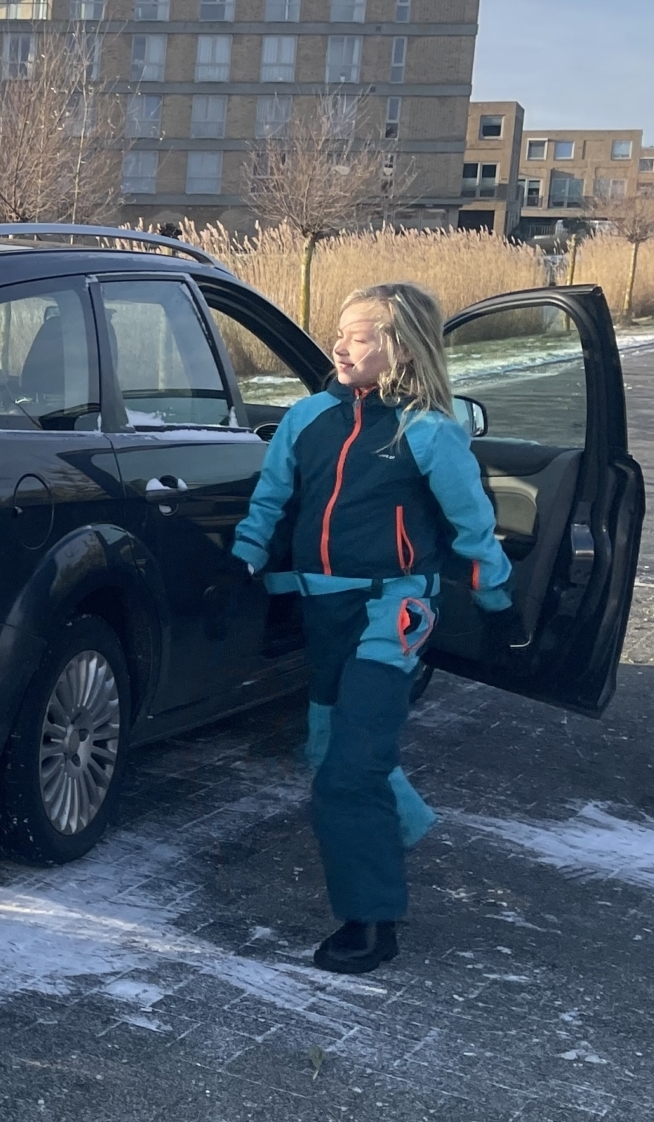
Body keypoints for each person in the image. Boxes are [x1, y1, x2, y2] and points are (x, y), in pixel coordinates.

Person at [231, 282, 518, 975]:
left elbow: (473, 524)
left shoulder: (427, 432)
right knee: (327, 752)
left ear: (402, 349)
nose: (340, 346)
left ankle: (371, 921)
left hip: (392, 615)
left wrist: (497, 599)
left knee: (348, 773)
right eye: (339, 332)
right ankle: (397, 827)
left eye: (359, 337)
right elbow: (270, 500)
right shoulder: (306, 419)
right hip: (320, 612)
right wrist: (244, 558)